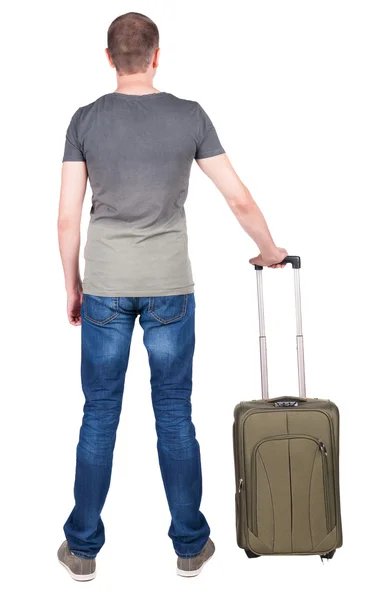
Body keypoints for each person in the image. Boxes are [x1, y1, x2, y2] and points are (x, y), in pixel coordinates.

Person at [57, 11, 287, 581]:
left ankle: (82, 551)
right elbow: (238, 199)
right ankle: (190, 545)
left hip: (106, 288)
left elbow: (66, 220)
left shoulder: (84, 120)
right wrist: (270, 250)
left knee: (99, 415)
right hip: (169, 290)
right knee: (175, 415)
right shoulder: (190, 116)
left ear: (110, 58)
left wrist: (73, 286)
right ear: (157, 56)